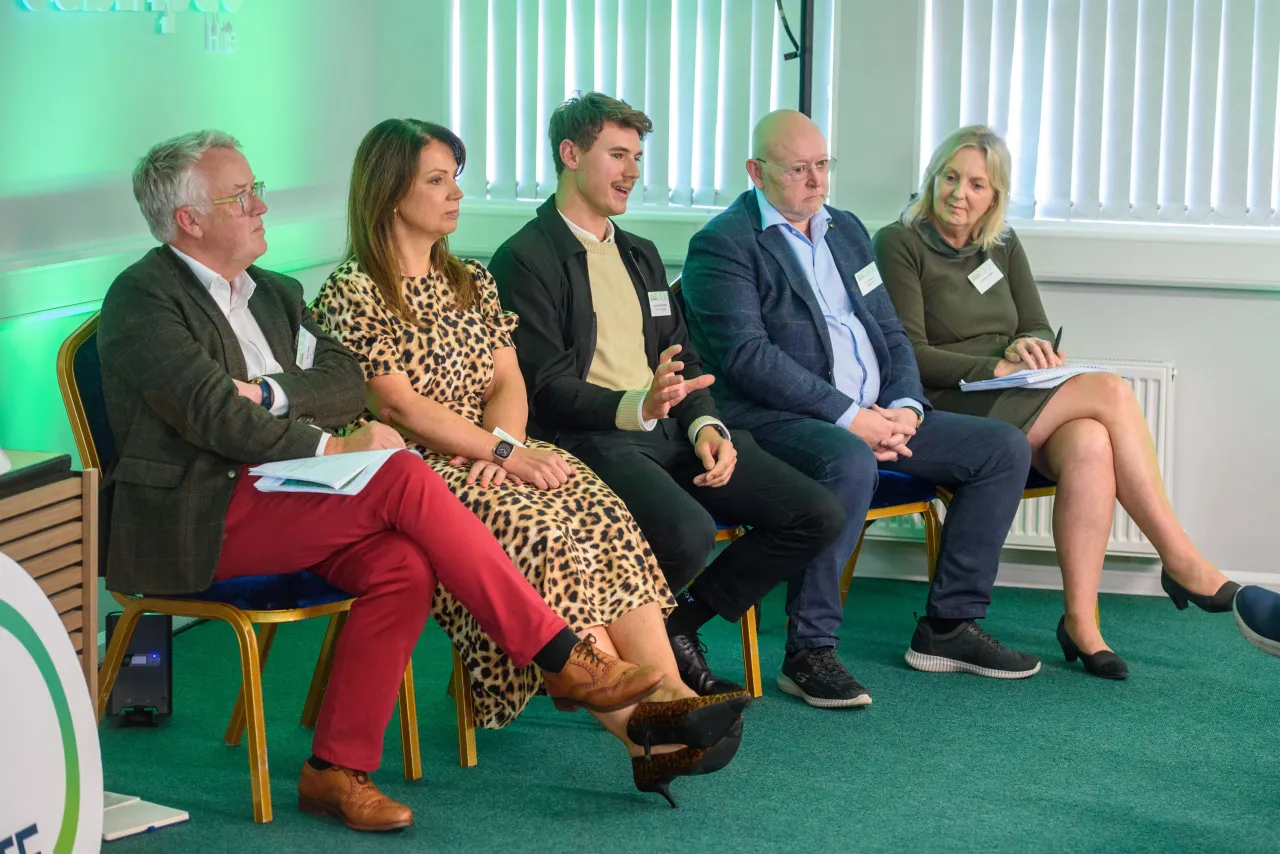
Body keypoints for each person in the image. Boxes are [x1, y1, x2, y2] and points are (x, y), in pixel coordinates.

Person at [97, 130, 670, 831]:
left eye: (257, 190)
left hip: (294, 499)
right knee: (398, 471)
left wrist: (274, 395)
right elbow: (216, 418)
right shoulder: (142, 299)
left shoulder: (275, 293)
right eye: (240, 196)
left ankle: (335, 769)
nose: (261, 207)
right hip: (200, 515)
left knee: (402, 564)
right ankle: (559, 654)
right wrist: (334, 443)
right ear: (188, 220)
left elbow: (342, 380)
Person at [312, 118, 747, 807]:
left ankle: (670, 698)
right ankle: (645, 733)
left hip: (494, 451)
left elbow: (507, 381)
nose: (456, 191)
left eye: (455, 176)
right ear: (390, 193)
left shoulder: (471, 280)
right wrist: (497, 453)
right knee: (543, 534)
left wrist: (506, 447)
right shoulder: (351, 292)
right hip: (412, 471)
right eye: (437, 179)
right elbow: (397, 408)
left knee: (596, 510)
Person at [487, 93, 847, 700]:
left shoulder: (641, 254)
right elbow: (544, 390)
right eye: (617, 155)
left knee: (817, 515)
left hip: (669, 430)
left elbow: (682, 360)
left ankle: (679, 628)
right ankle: (610, 654)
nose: (632, 171)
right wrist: (638, 407)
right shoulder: (525, 259)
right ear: (570, 154)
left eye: (637, 156)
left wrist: (707, 425)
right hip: (592, 438)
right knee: (687, 534)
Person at [681, 110, 1042, 707]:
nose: (815, 181)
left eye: (822, 165)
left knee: (1002, 449)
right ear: (756, 170)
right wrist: (851, 417)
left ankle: (949, 627)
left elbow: (889, 331)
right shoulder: (723, 244)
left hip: (876, 412)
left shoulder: (846, 230)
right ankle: (809, 652)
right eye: (798, 169)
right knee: (848, 460)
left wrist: (905, 406)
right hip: (775, 419)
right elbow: (748, 359)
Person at [873, 125, 1239, 679]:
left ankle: (1081, 624)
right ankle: (1180, 558)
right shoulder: (898, 242)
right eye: (950, 177)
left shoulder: (1002, 242)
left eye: (976, 184)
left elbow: (1035, 320)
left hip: (1011, 392)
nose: (959, 194)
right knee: (1111, 390)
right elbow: (910, 353)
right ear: (933, 177)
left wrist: (1028, 344)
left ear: (994, 195)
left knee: (1092, 442)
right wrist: (995, 366)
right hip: (946, 403)